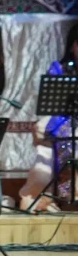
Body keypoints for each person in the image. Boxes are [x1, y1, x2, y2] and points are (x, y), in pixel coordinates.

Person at [17, 22, 78, 211]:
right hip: (63, 119)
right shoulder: (60, 69)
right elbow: (54, 105)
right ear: (73, 46)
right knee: (50, 135)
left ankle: (71, 195)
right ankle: (51, 196)